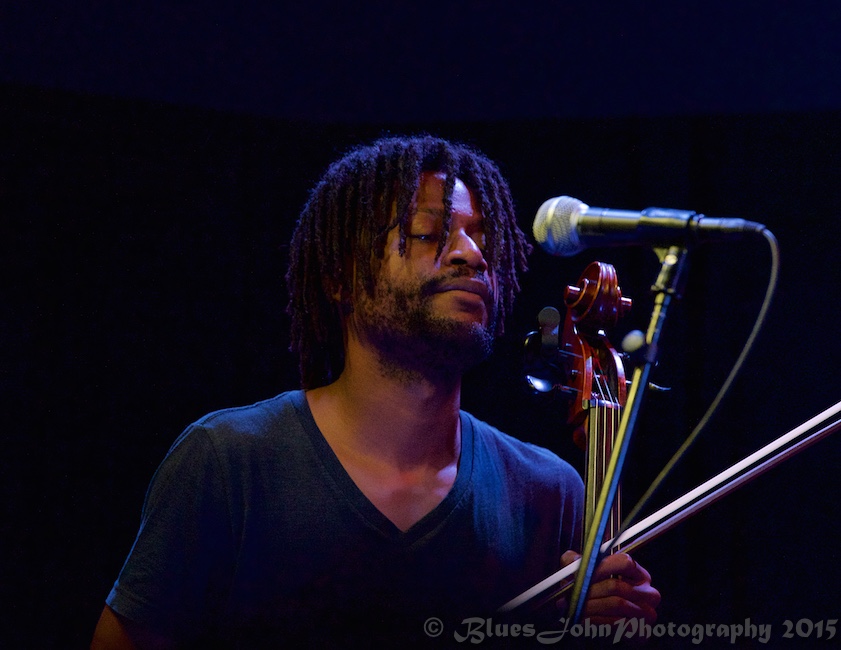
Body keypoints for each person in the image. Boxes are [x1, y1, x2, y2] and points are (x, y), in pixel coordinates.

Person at [91, 135, 659, 648]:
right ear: (339, 277)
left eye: (482, 239)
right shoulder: (230, 460)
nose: (472, 255)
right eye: (427, 234)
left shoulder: (547, 492)